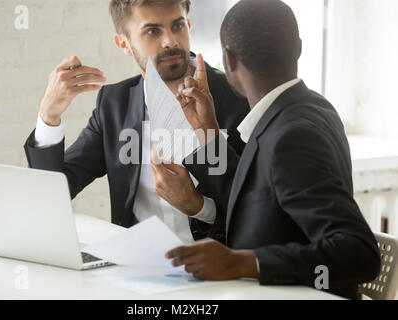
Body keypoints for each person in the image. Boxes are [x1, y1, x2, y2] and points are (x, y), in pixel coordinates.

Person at [156, 0, 380, 299]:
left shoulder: (292, 135)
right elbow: (256, 194)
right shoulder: (309, 107)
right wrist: (207, 131)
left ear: (230, 60)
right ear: (298, 48)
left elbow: (358, 254)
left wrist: (243, 263)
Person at [23, 0, 249, 244]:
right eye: (152, 31)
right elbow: (53, 193)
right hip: (135, 267)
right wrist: (49, 116)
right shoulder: (113, 105)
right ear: (124, 44)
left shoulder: (238, 97)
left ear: (188, 25)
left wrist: (198, 207)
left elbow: (260, 209)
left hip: (221, 269)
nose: (170, 41)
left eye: (177, 26)